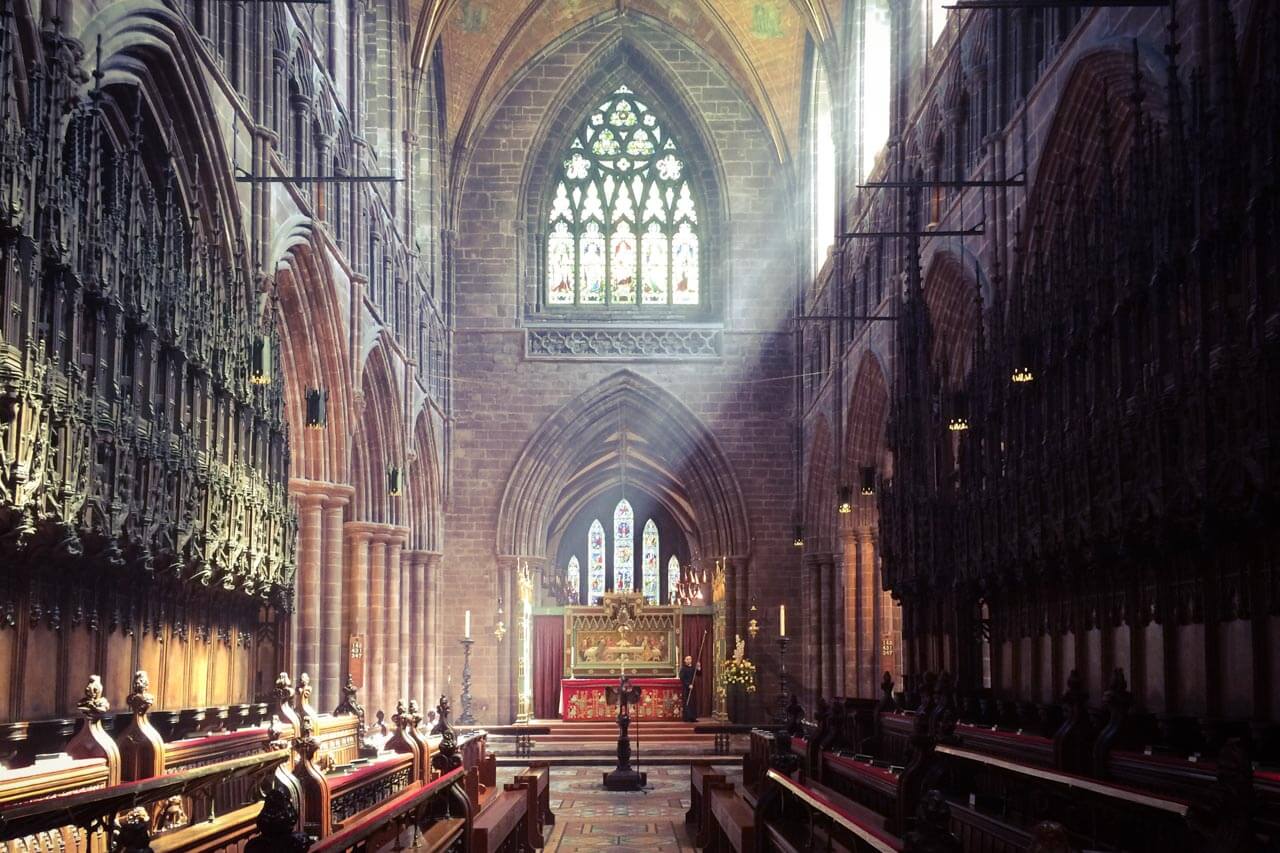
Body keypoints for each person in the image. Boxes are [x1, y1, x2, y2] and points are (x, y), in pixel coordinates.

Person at [679, 654, 702, 722]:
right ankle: (687, 718)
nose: (689, 660)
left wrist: (699, 668)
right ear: (685, 661)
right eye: (687, 659)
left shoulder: (693, 668)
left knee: (693, 702)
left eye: (690, 659)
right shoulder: (683, 668)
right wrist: (688, 685)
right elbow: (682, 678)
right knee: (687, 702)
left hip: (693, 688)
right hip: (686, 688)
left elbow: (698, 674)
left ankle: (693, 718)